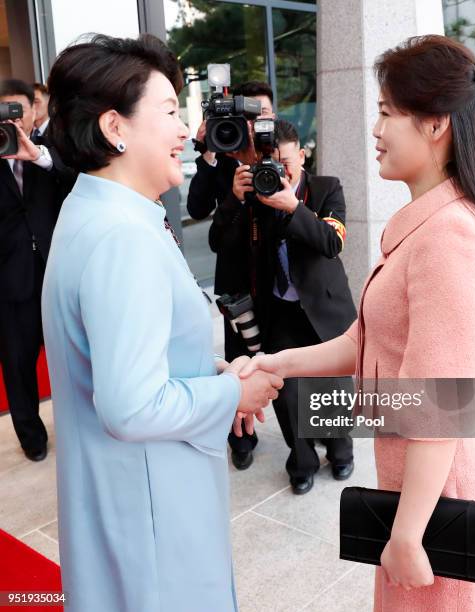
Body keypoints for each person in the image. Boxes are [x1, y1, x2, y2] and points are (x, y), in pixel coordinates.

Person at [240, 35, 475, 610]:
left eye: (388, 113)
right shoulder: (427, 222)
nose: (375, 130)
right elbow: (363, 340)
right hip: (420, 500)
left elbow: (439, 405)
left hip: (444, 508)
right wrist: (273, 362)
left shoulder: (451, 238)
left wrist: (407, 534)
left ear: (436, 123)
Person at [42, 34, 282, 612]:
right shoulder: (122, 237)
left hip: (124, 500)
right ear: (114, 128)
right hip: (153, 517)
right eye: (170, 111)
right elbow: (130, 406)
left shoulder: (97, 211)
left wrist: (217, 378)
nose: (185, 131)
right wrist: (231, 391)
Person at [210, 119, 356, 494]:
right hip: (280, 311)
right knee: (288, 396)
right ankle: (302, 461)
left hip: (324, 310)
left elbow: (331, 241)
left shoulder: (327, 188)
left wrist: (293, 208)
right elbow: (220, 242)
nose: (279, 171)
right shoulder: (258, 196)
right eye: (271, 163)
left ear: (302, 156)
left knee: (334, 389)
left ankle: (341, 452)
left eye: (286, 163)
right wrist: (235, 199)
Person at [187, 81, 276, 470]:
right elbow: (195, 206)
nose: (255, 126)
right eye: (249, 118)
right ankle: (241, 439)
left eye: (264, 116)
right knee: (239, 359)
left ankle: (326, 440)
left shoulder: (283, 153)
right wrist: (208, 151)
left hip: (280, 279)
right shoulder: (221, 154)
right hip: (236, 278)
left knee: (297, 356)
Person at [0, 79, 65, 461]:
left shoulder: (50, 151)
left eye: (17, 110)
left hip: (56, 273)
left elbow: (73, 178)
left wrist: (36, 155)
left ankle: (78, 426)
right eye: (3, 110)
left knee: (69, 358)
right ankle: (31, 437)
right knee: (18, 363)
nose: (12, 118)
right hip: (10, 281)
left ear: (33, 110)